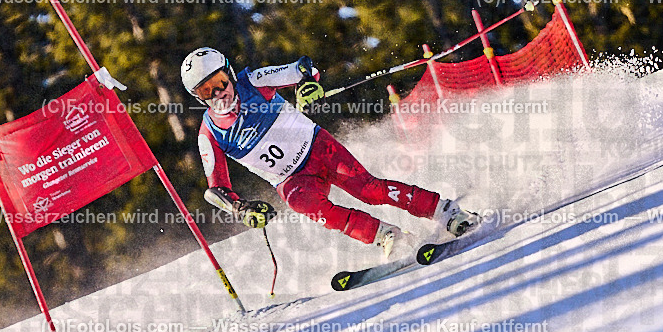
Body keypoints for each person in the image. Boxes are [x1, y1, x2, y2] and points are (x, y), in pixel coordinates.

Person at [181, 47, 478, 258]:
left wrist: (309, 84)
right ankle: (388, 236)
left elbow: (302, 68)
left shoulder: (253, 82)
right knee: (307, 206)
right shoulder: (209, 133)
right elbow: (216, 190)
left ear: (230, 74)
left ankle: (446, 211)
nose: (218, 93)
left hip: (318, 148)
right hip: (292, 180)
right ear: (198, 97)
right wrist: (241, 209)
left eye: (219, 83)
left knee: (369, 190)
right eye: (206, 91)